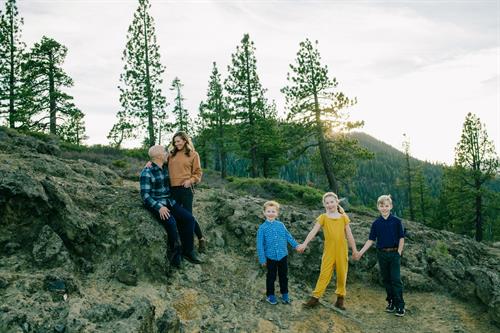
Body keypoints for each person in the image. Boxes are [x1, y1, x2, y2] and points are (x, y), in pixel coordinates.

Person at [140, 145, 202, 267]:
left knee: (189, 218)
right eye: (165, 152)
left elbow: (183, 167)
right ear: (159, 156)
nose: (167, 153)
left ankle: (188, 251)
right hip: (157, 204)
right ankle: (175, 255)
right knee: (171, 222)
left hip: (169, 202)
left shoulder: (165, 168)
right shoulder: (147, 172)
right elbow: (145, 196)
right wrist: (159, 207)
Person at [298, 192, 358, 310]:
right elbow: (313, 232)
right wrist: (304, 244)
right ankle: (315, 298)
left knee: (342, 274)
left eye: (332, 202)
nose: (330, 205)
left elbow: (349, 235)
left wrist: (355, 250)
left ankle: (340, 299)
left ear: (337, 202)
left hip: (342, 249)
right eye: (327, 203)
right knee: (324, 273)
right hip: (329, 250)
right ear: (324, 205)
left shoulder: (343, 218)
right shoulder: (323, 218)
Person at [354, 194, 406, 316]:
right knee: (386, 280)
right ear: (378, 207)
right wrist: (360, 252)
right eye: (381, 206)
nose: (384, 208)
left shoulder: (397, 221)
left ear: (391, 206)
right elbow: (370, 240)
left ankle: (400, 305)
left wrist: (399, 252)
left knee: (396, 280)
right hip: (381, 254)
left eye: (387, 206)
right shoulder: (376, 223)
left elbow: (401, 238)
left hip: (394, 254)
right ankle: (391, 302)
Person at [167, 131, 205, 253]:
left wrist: (191, 180)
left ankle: (200, 239)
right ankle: (181, 243)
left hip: (186, 189)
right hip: (172, 189)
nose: (176, 144)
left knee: (188, 217)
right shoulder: (170, 155)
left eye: (178, 141)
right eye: (175, 142)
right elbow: (160, 161)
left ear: (185, 141)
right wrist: (149, 163)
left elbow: (198, 173)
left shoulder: (193, 155)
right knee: (177, 216)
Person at [256, 200, 300, 305]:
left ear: (277, 213)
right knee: (271, 277)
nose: (271, 213)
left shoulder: (281, 225)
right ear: (264, 213)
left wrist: (296, 245)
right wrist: (262, 259)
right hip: (270, 257)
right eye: (268, 211)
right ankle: (270, 295)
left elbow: (288, 236)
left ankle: (285, 294)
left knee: (283, 276)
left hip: (282, 256)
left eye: (273, 211)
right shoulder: (262, 228)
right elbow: (260, 245)